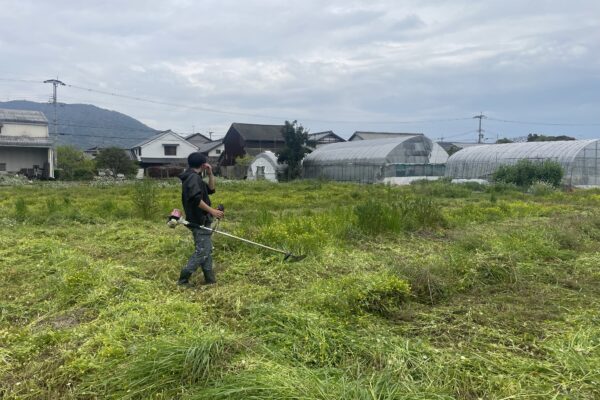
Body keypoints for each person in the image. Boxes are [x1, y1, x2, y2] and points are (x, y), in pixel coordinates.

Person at [177, 152, 224, 286]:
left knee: (206, 250)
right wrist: (213, 211)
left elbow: (211, 189)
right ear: (203, 165)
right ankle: (183, 279)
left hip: (202, 219)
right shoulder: (193, 178)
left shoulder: (195, 177)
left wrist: (210, 174)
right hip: (198, 220)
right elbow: (196, 200)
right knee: (202, 251)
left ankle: (210, 280)